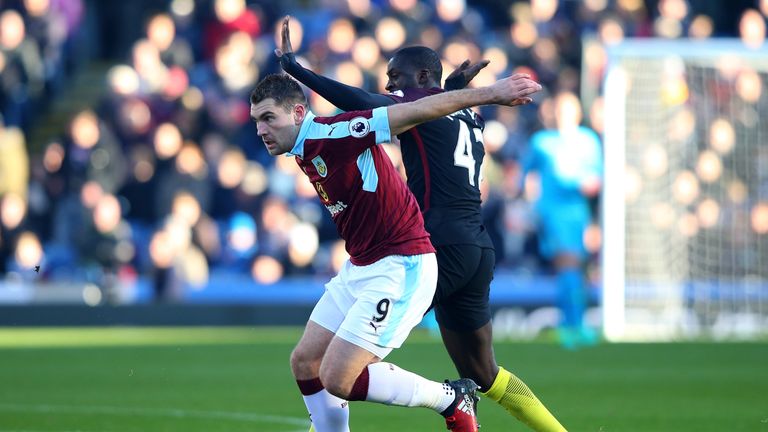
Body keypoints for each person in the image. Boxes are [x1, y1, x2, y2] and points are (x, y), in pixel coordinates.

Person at [276, 16, 566, 432]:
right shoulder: (469, 119)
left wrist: (297, 70)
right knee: (486, 373)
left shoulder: (418, 111)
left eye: (397, 78)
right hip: (477, 247)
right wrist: (453, 92)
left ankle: (441, 401)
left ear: (425, 76)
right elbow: (438, 117)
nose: (390, 87)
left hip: (432, 246)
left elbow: (357, 99)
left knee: (337, 365)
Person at [521, 91, 602, 350]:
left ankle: (576, 324)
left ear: (577, 112)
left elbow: (597, 175)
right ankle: (572, 326)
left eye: (569, 109)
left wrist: (592, 191)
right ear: (553, 112)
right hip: (553, 212)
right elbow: (525, 175)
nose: (564, 114)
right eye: (560, 109)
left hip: (579, 212)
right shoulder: (542, 142)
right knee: (567, 265)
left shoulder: (589, 140)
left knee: (577, 269)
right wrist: (530, 206)